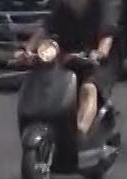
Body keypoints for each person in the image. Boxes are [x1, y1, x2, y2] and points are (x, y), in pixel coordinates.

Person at [27, 0, 117, 138]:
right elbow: (45, 30)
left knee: (88, 88)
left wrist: (100, 52)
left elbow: (107, 34)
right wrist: (28, 50)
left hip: (94, 63)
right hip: (67, 59)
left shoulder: (101, 6)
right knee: (47, 81)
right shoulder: (62, 8)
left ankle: (80, 131)